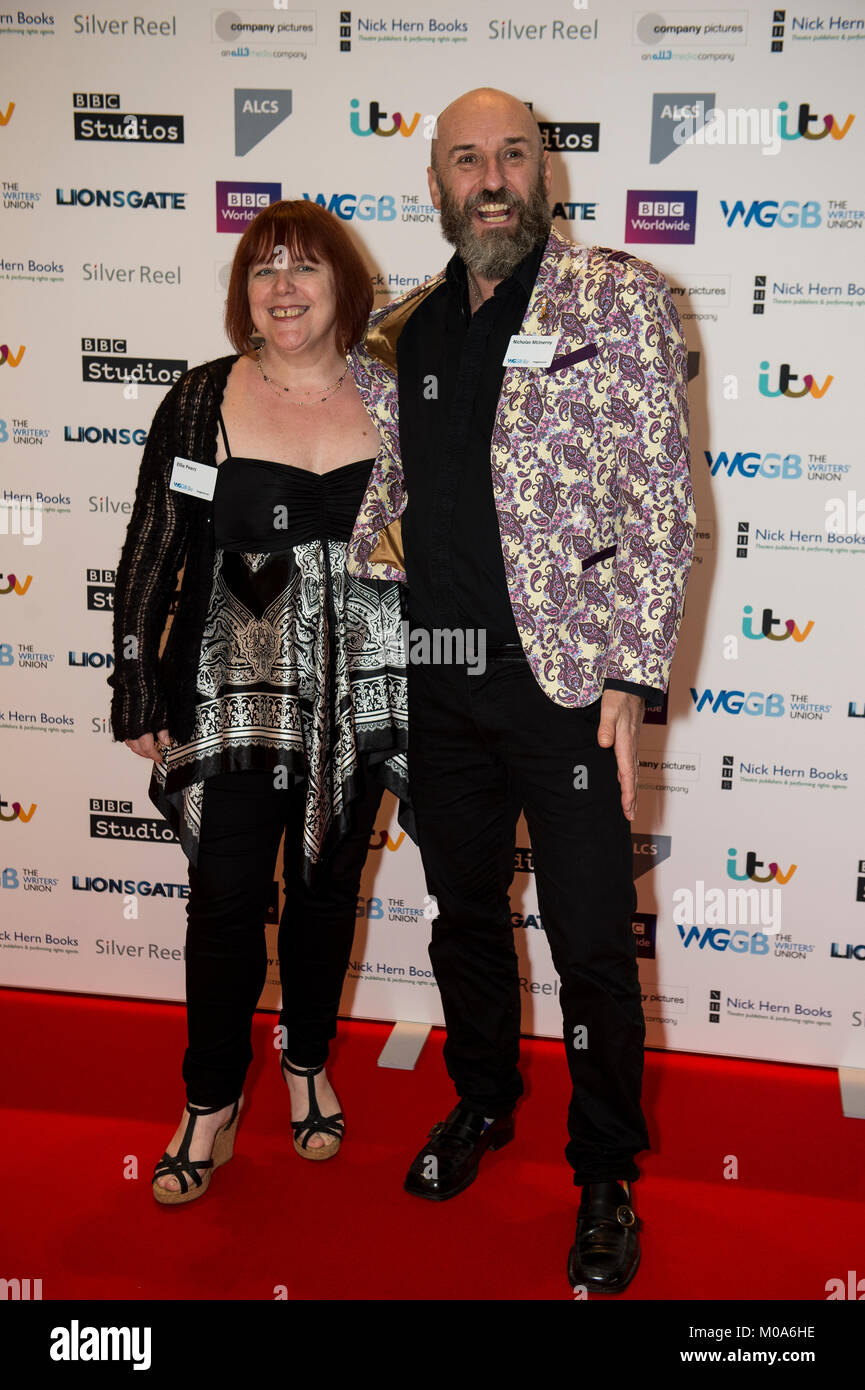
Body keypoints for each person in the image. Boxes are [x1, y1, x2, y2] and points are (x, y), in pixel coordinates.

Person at [346, 88, 695, 1291]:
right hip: (439, 681)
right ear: (434, 187)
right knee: (462, 916)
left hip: (565, 688)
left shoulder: (617, 300)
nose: (491, 178)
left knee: (594, 936)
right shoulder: (401, 332)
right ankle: (482, 1101)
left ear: (544, 174)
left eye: (512, 156)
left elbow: (660, 496)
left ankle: (604, 1170)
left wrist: (634, 675)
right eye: (466, 160)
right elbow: (383, 501)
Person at [109, 200, 410, 1205]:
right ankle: (208, 1099)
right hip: (230, 697)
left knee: (328, 894)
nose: (283, 286)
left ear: (343, 286)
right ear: (245, 293)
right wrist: (136, 674)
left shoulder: (396, 394)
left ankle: (307, 1060)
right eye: (263, 269)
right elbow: (153, 544)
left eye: (305, 267)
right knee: (226, 901)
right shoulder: (203, 399)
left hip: (359, 695)